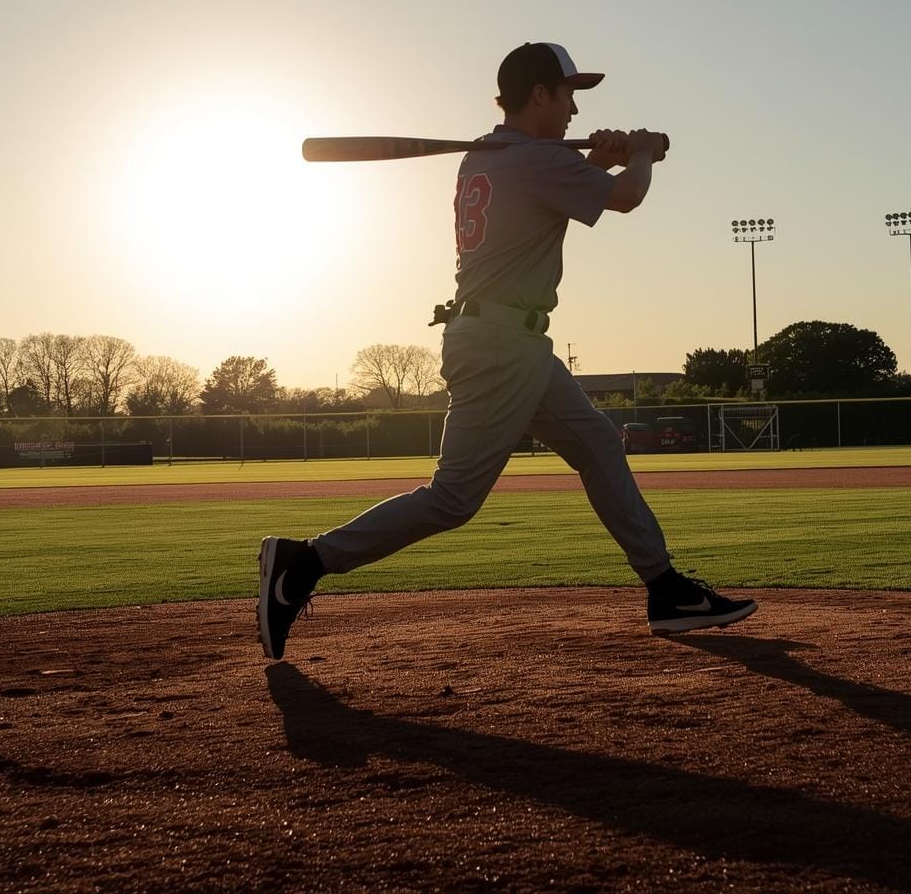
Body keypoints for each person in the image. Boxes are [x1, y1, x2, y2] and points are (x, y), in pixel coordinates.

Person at [258, 42, 756, 660]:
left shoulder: (496, 156)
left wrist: (599, 162)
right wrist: (643, 155)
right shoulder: (533, 159)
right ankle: (304, 562)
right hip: (500, 345)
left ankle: (664, 588)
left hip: (510, 340)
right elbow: (627, 196)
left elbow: (562, 188)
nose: (575, 107)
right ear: (540, 94)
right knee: (452, 500)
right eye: (568, 93)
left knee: (599, 444)